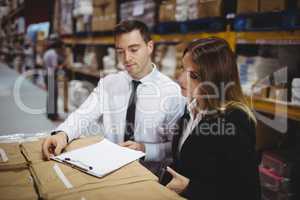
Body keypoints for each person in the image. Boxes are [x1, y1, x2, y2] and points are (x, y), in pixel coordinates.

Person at [42, 20, 185, 174]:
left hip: (150, 174)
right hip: (111, 170)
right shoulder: (109, 83)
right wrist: (62, 134)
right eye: (120, 51)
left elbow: (176, 146)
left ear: (150, 47)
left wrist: (146, 149)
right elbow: (83, 114)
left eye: (134, 49)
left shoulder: (171, 92)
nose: (126, 58)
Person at [161, 38, 261, 200]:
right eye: (182, 69)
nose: (180, 79)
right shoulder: (191, 111)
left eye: (193, 75)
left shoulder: (234, 121)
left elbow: (244, 192)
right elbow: (182, 165)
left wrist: (189, 187)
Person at [43, 37, 65, 120]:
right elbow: (55, 67)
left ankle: (50, 114)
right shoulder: (54, 54)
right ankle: (53, 116)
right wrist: (62, 65)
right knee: (53, 95)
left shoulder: (48, 52)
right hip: (51, 76)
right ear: (58, 47)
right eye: (62, 47)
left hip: (47, 74)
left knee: (50, 95)